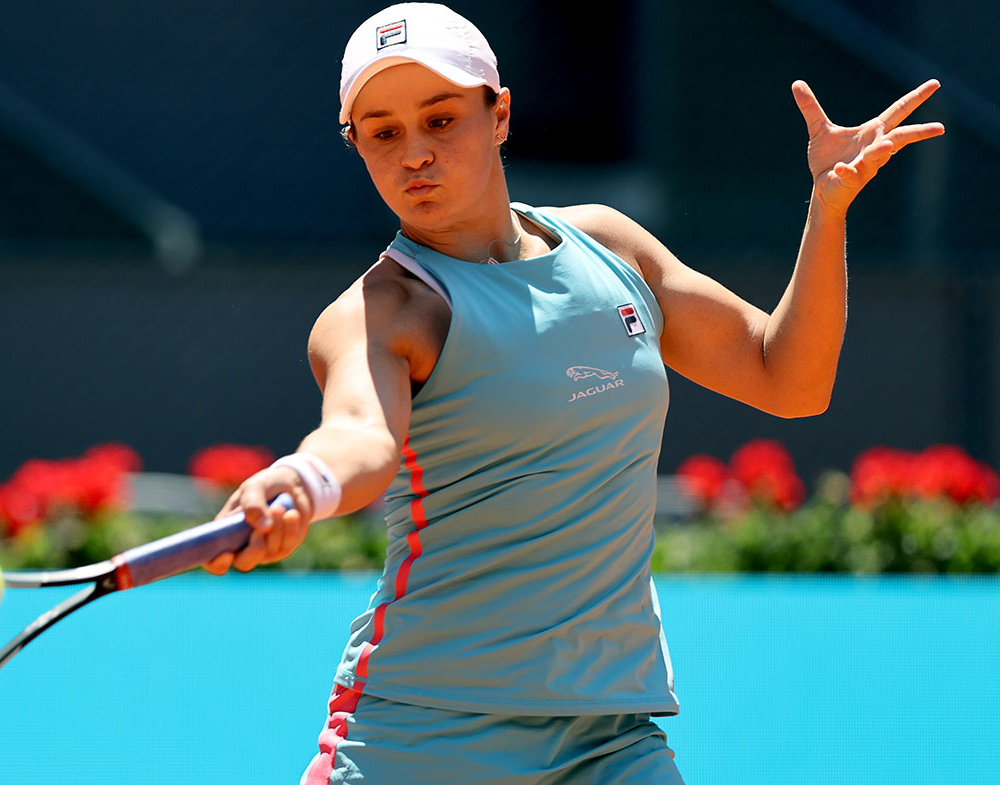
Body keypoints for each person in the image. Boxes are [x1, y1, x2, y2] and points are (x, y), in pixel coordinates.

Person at [202, 3, 945, 783]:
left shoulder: (612, 247)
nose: (415, 153)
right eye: (383, 132)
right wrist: (303, 481)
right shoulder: (379, 312)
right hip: (422, 738)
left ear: (501, 114)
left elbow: (788, 378)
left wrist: (828, 211)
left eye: (441, 118)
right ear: (357, 146)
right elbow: (360, 436)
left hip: (611, 737)